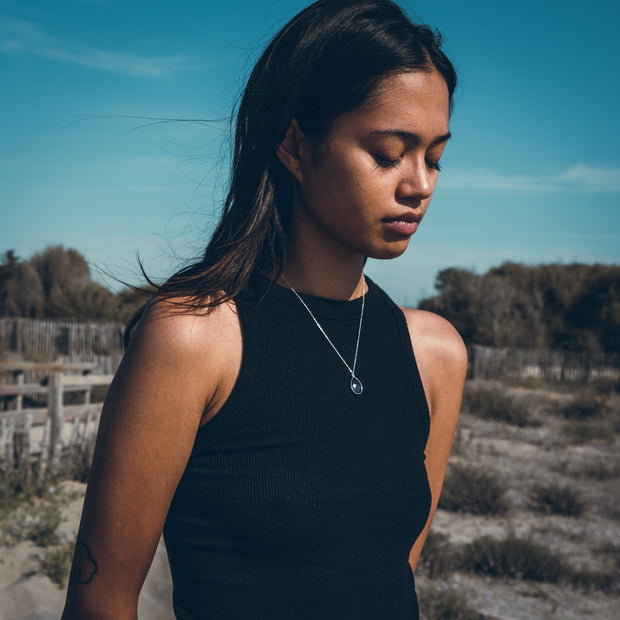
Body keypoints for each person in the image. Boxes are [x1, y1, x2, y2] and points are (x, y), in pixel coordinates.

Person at [61, 0, 466, 618]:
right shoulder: (196, 339)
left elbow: (393, 573)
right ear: (295, 144)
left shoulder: (434, 354)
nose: (420, 185)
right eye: (388, 153)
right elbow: (101, 603)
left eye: (434, 156)